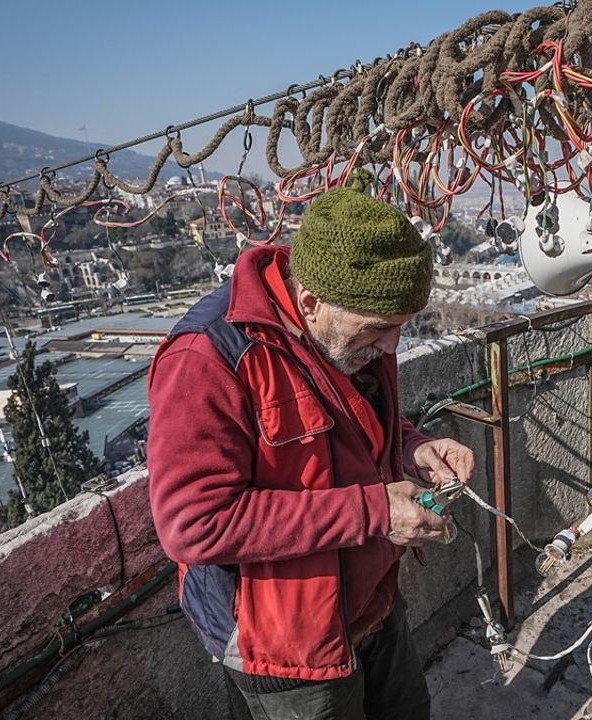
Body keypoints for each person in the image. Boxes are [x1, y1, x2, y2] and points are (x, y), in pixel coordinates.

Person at [147, 173, 475, 720]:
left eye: (402, 328)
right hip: (283, 640)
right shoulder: (206, 360)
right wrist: (373, 510)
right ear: (310, 301)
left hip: (372, 601)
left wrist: (412, 448)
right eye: (378, 330)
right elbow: (193, 523)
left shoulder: (348, 327)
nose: (391, 345)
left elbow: (350, 427)